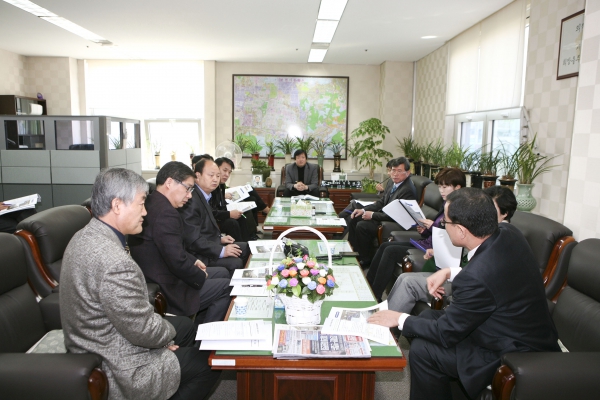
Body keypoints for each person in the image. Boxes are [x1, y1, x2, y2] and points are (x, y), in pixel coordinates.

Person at [368, 188, 559, 400]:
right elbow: (493, 272)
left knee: (424, 351)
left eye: (445, 223)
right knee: (427, 316)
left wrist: (399, 318)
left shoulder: (476, 278)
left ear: (460, 230)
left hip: (511, 348)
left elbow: (446, 332)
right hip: (511, 327)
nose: (442, 226)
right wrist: (449, 271)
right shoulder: (508, 233)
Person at [60, 168, 220, 400]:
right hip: (117, 361)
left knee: (186, 327)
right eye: (141, 204)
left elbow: (133, 318)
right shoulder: (114, 262)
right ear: (117, 206)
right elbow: (142, 330)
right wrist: (163, 340)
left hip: (96, 338)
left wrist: (164, 336)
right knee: (209, 363)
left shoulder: (85, 235)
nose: (145, 212)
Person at [385, 185, 518, 313]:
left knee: (408, 282)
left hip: (468, 286)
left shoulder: (502, 236)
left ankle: (385, 330)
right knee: (404, 278)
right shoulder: (487, 230)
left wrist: (449, 272)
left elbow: (482, 272)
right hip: (457, 275)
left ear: (505, 213)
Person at [129, 161, 232, 323]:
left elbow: (173, 249)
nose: (190, 195)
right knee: (227, 286)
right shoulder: (166, 213)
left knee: (222, 273)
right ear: (169, 183)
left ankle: (200, 322)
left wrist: (194, 261)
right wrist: (198, 274)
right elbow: (176, 261)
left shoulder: (153, 202)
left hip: (160, 271)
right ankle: (205, 339)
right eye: (188, 188)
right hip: (167, 285)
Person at [366, 167, 465, 302]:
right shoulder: (445, 203)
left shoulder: (460, 207)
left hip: (436, 249)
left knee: (390, 251)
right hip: (428, 242)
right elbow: (436, 230)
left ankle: (374, 296)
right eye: (440, 187)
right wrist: (425, 230)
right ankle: (368, 286)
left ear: (457, 187)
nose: (441, 191)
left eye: (445, 187)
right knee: (385, 247)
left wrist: (433, 226)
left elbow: (452, 234)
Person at [179, 158, 250, 276]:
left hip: (208, 244)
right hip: (199, 255)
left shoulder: (204, 195)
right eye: (211, 175)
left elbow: (202, 229)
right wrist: (222, 250)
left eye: (217, 176)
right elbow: (193, 240)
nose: (215, 179)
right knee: (235, 262)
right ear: (198, 175)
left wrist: (220, 238)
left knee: (245, 247)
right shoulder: (191, 199)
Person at [347, 157, 417, 267]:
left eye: (399, 171)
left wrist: (373, 215)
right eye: (393, 170)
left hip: (394, 223)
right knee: (355, 217)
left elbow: (396, 216)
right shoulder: (391, 182)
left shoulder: (407, 190)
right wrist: (364, 210)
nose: (395, 174)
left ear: (408, 173)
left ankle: (365, 260)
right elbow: (382, 202)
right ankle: (353, 252)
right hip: (385, 216)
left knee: (362, 226)